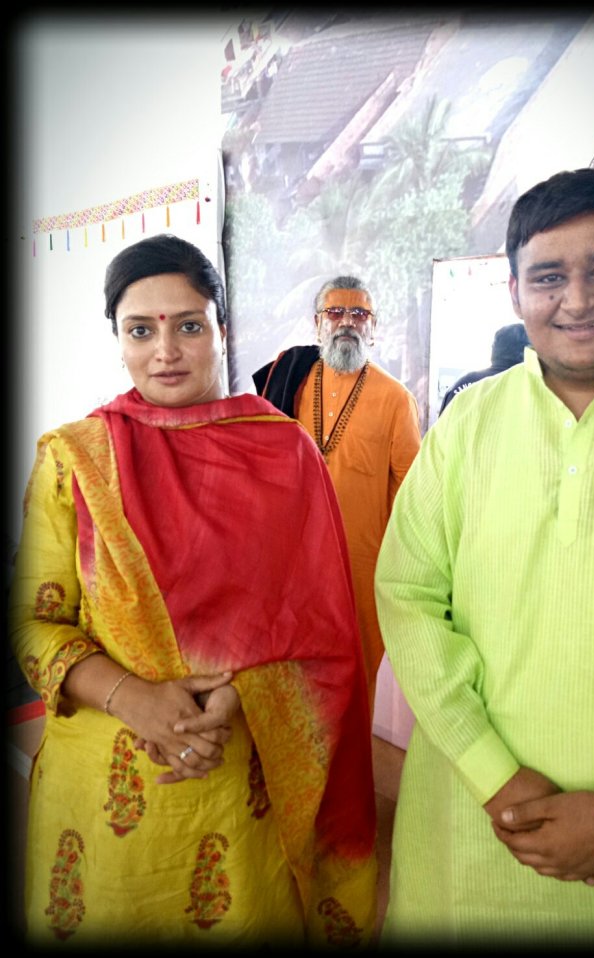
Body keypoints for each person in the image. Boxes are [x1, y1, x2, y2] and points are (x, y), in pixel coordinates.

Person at [374, 168, 594, 948]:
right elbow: (407, 597)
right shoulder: (467, 425)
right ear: (514, 292)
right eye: (548, 277)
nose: (576, 300)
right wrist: (495, 777)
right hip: (471, 834)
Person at [8, 235, 377, 948]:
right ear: (119, 341)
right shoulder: (76, 460)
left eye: (188, 325)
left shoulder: (285, 454)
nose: (166, 352)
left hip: (239, 781)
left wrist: (240, 695)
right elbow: (32, 622)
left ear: (221, 330)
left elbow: (324, 635)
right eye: (141, 331)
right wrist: (135, 699)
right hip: (108, 787)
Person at [253, 276, 421, 714]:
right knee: (295, 676)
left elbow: (413, 495)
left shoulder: (395, 399)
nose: (347, 322)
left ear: (373, 327)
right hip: (296, 562)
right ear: (317, 324)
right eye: (335, 312)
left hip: (360, 570)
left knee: (354, 683)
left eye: (359, 314)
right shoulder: (291, 382)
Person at [438, 323, 529, 415]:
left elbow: (442, 422)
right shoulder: (528, 388)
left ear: (494, 348)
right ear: (527, 352)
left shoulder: (464, 383)